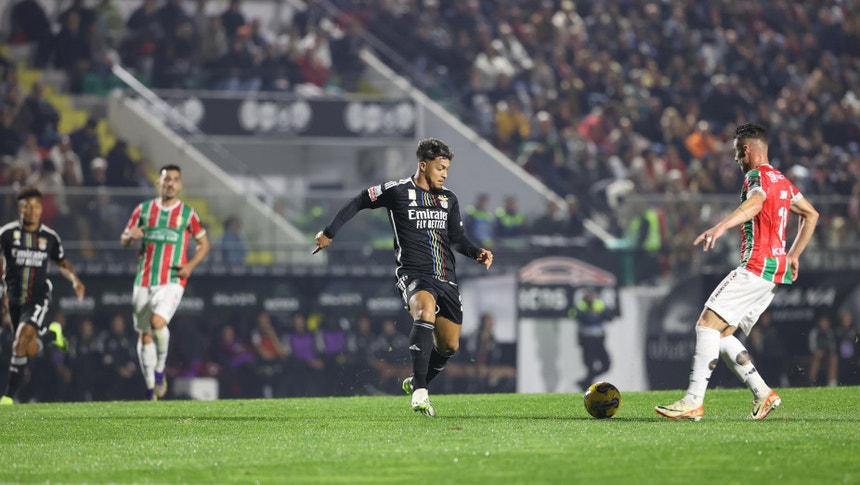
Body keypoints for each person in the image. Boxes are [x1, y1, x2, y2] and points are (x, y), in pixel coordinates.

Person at [314, 138, 494, 416]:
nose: (445, 174)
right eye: (440, 168)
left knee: (449, 345)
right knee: (424, 311)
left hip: (446, 277)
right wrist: (329, 232)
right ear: (423, 165)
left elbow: (457, 239)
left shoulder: (449, 199)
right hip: (413, 274)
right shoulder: (396, 191)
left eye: (447, 169)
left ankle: (417, 382)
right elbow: (360, 200)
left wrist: (476, 252)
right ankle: (421, 392)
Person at [656, 123, 819, 421]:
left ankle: (693, 401)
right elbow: (811, 214)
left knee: (706, 325)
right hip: (774, 271)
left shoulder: (756, 176)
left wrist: (720, 226)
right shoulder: (782, 180)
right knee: (721, 334)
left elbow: (756, 203)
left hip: (756, 265)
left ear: (747, 150)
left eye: (736, 153)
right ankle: (763, 393)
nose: (735, 160)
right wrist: (793, 255)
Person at [120, 164, 210, 401]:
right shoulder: (143, 209)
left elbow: (204, 244)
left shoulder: (188, 214)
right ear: (159, 182)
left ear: (180, 184)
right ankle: (151, 388)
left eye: (175, 179)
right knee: (144, 335)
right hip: (144, 280)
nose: (170, 183)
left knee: (157, 322)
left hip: (172, 279)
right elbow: (124, 238)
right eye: (166, 179)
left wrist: (189, 266)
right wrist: (130, 237)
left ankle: (160, 368)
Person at [1, 187, 86, 405]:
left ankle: (8, 397)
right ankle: (51, 336)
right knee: (27, 348)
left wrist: (75, 279)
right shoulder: (7, 234)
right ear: (18, 208)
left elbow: (61, 262)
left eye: (36, 206)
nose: (31, 210)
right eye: (26, 206)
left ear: (41, 209)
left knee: (20, 340)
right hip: (13, 296)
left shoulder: (49, 237)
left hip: (37, 295)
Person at [572, 290, 612, 390]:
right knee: (590, 364)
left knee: (606, 364)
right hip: (587, 339)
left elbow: (609, 316)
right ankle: (587, 385)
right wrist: (593, 315)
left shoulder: (599, 304)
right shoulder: (581, 305)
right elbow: (579, 316)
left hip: (599, 339)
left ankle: (586, 381)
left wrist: (599, 314)